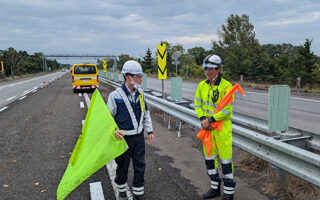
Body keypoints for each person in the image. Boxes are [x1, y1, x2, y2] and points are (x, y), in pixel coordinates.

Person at [107, 60, 154, 200]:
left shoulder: (141, 94)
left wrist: (150, 131)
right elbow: (108, 119)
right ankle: (122, 193)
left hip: (139, 138)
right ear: (129, 77)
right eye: (138, 76)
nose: (141, 79)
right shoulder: (115, 96)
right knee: (122, 167)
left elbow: (146, 114)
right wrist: (114, 130)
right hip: (123, 140)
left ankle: (138, 194)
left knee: (140, 165)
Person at [194, 55, 236, 200]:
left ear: (218, 69)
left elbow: (227, 110)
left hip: (221, 130)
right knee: (210, 160)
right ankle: (214, 188)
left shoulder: (226, 86)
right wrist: (202, 119)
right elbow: (197, 104)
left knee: (225, 161)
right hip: (207, 130)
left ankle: (229, 193)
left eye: (210, 68)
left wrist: (211, 120)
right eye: (205, 68)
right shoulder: (202, 85)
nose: (207, 71)